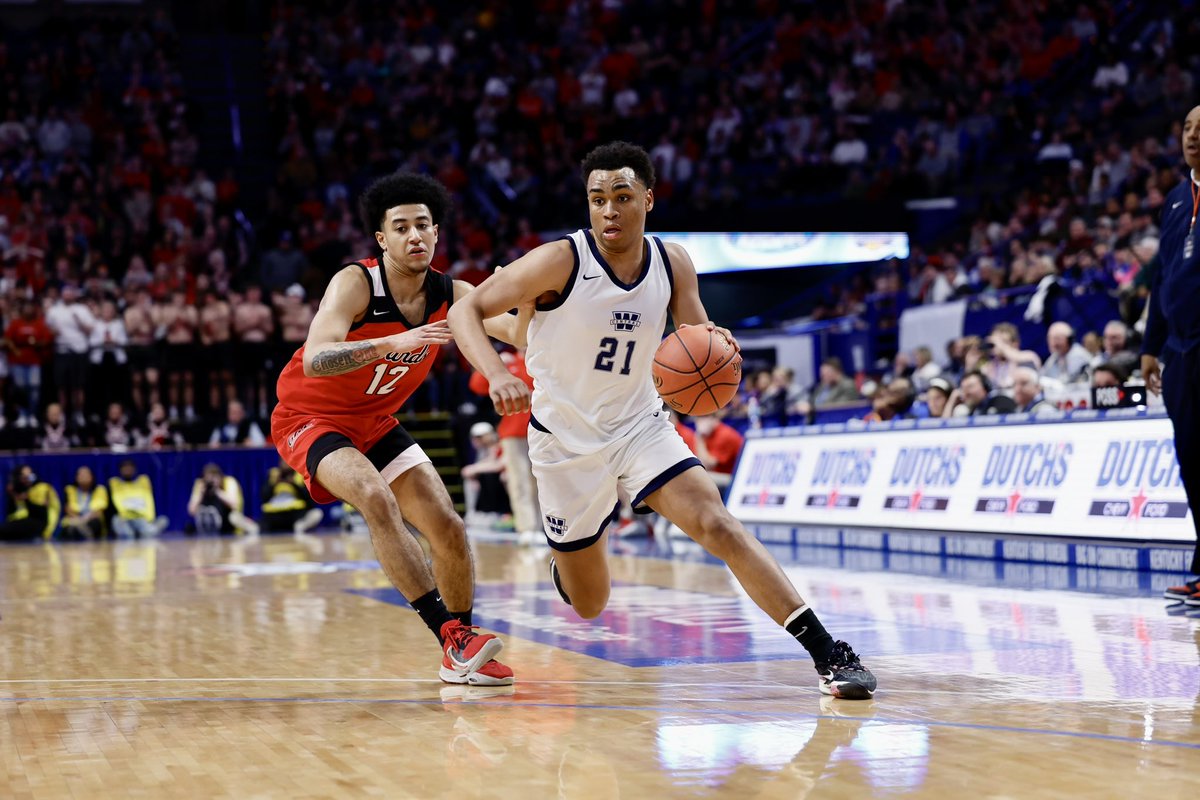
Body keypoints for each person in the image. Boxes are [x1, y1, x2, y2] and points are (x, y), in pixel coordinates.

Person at [448, 141, 876, 698]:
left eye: (621, 197)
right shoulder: (559, 259)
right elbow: (464, 310)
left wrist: (717, 353)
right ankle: (569, 564)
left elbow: (696, 343)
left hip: (640, 426)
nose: (608, 210)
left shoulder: (672, 262)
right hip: (566, 446)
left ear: (648, 199)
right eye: (597, 198)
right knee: (589, 603)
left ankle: (826, 651)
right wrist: (499, 376)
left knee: (718, 525)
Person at [269, 171, 529, 687]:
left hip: (374, 421)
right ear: (381, 238)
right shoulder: (355, 282)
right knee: (375, 496)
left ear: (437, 233)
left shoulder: (453, 293)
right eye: (402, 227)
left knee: (448, 526)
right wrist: (393, 342)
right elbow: (318, 357)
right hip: (309, 417)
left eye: (424, 226)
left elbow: (519, 335)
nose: (415, 236)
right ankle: (449, 638)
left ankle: (463, 647)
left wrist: (519, 296)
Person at [1146, 105, 1200, 607]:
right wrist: (1149, 346)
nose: (1194, 137)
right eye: (1188, 128)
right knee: (1190, 458)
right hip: (1179, 352)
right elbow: (1161, 277)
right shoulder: (1178, 199)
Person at [467, 350, 540, 543]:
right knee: (519, 481)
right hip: (514, 432)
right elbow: (477, 386)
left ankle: (543, 528)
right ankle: (527, 528)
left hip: (544, 431)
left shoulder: (543, 355)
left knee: (543, 482)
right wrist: (495, 366)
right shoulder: (508, 362)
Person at [186, 462, 260, 537]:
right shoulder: (200, 484)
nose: (211, 482)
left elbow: (235, 505)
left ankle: (253, 528)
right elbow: (191, 511)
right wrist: (201, 494)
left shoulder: (229, 482)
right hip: (212, 523)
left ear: (220, 477)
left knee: (234, 518)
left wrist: (217, 491)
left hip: (229, 520)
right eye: (209, 479)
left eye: (214, 478)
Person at [260, 459, 323, 535]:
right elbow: (264, 497)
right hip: (275, 516)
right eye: (282, 460)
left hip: (295, 516)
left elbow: (310, 501)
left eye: (287, 460)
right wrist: (274, 484)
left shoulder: (299, 476)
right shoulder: (273, 475)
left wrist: (294, 484)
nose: (285, 463)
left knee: (317, 513)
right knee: (258, 525)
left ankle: (301, 527)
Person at [108, 459, 169, 538]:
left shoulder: (143, 482)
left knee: (160, 524)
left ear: (135, 470)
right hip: (123, 519)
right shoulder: (115, 483)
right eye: (125, 468)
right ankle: (136, 533)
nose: (127, 470)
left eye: (130, 468)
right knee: (127, 535)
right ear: (120, 470)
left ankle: (146, 529)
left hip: (141, 519)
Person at [0, 465, 59, 540]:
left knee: (5, 529)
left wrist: (48, 531)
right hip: (27, 520)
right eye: (24, 476)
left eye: (30, 475)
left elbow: (48, 511)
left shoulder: (42, 487)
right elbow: (16, 513)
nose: (27, 478)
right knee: (5, 530)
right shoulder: (21, 490)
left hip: (39, 523)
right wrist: (14, 494)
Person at [690, 413, 744, 492]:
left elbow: (706, 466)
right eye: (698, 418)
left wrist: (700, 438)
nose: (699, 422)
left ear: (714, 419)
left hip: (734, 478)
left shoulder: (724, 434)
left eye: (704, 417)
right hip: (718, 475)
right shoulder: (707, 434)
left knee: (698, 478)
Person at [61, 465, 108, 540]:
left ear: (92, 477)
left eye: (86, 475)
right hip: (74, 519)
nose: (84, 477)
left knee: (95, 523)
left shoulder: (100, 490)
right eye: (81, 475)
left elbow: (99, 511)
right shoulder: (69, 489)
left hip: (91, 519)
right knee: (68, 528)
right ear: (76, 477)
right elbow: (67, 509)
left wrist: (83, 520)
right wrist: (78, 520)